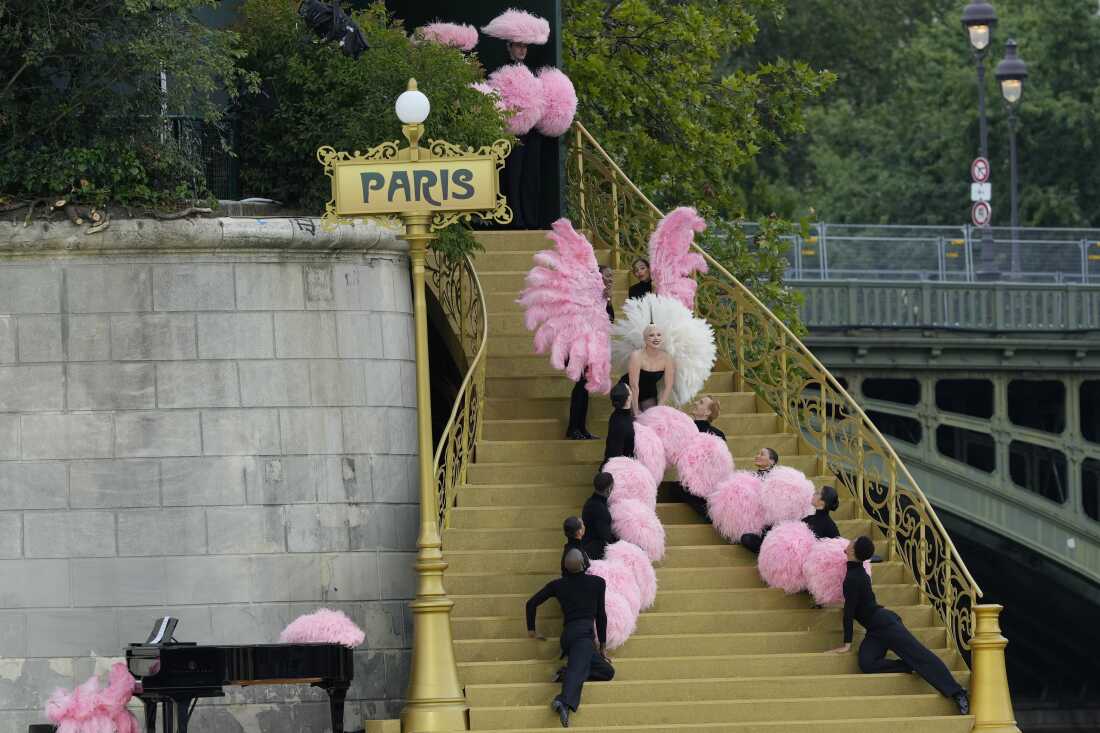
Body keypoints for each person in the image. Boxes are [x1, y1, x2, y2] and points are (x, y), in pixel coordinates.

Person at [828, 536, 970, 715]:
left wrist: (847, 643)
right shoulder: (855, 571)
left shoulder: (854, 577)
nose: (848, 542)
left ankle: (957, 692)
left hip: (885, 623)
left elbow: (849, 612)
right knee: (867, 663)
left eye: (852, 542)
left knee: (919, 654)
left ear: (853, 551)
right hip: (875, 630)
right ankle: (909, 666)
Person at [527, 549, 615, 727]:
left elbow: (531, 603)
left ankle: (566, 674)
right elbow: (601, 616)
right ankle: (563, 701)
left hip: (571, 635)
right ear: (584, 564)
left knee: (607, 672)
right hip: (582, 636)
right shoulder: (598, 583)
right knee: (579, 665)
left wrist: (532, 630)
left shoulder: (558, 585)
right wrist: (603, 647)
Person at [567, 267, 615, 440]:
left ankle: (581, 428)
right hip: (578, 347)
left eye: (612, 276)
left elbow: (610, 320)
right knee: (581, 386)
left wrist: (608, 300)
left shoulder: (604, 296)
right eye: (607, 275)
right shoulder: (585, 295)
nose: (611, 279)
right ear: (598, 276)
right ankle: (573, 428)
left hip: (593, 348)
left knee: (584, 387)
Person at [618, 324, 675, 415]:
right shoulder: (636, 356)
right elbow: (634, 386)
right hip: (629, 390)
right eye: (651, 335)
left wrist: (660, 406)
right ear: (645, 339)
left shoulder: (667, 358)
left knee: (651, 418)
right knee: (632, 420)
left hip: (649, 393)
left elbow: (669, 386)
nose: (656, 338)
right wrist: (635, 411)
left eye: (659, 335)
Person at [581, 472, 616, 561]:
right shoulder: (600, 510)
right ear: (608, 490)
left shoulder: (589, 502)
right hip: (595, 554)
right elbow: (606, 537)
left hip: (587, 549)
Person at [602, 383, 635, 467]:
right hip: (621, 467)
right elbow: (615, 453)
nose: (631, 391)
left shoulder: (617, 415)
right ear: (628, 398)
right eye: (629, 390)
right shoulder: (621, 423)